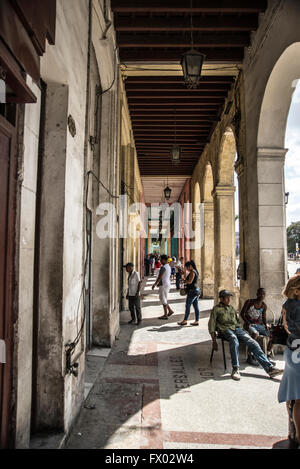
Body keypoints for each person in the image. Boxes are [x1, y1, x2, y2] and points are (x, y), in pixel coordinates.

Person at [208, 290, 283, 381]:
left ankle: (269, 368)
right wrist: (214, 341)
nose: (228, 300)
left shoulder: (231, 308)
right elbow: (211, 325)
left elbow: (237, 322)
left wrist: (242, 331)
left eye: (229, 298)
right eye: (226, 298)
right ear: (221, 299)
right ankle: (235, 369)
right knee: (233, 339)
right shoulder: (216, 309)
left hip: (237, 329)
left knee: (253, 343)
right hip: (225, 330)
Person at [278, 276, 300, 449]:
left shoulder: (287, 305)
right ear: (297, 290)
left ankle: (293, 432)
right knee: (298, 397)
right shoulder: (297, 307)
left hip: (292, 350)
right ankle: (297, 436)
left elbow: (288, 329)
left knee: (294, 394)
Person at [240, 288, 274, 365]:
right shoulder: (249, 302)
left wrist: (266, 325)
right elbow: (242, 314)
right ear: (257, 294)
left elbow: (264, 318)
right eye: (260, 294)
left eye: (263, 294)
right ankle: (250, 356)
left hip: (257, 325)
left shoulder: (263, 305)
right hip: (248, 325)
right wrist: (247, 322)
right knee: (255, 334)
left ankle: (268, 355)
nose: (261, 295)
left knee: (273, 334)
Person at [178, 261, 201, 327]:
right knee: (196, 306)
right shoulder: (195, 271)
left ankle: (185, 320)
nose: (187, 268)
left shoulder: (192, 272)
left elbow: (190, 282)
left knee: (188, 306)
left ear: (190, 266)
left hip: (192, 291)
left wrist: (184, 280)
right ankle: (196, 321)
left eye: (187, 267)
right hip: (196, 290)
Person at [152, 254, 174, 320]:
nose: (160, 261)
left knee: (163, 298)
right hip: (166, 283)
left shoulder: (163, 267)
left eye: (161, 260)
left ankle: (165, 314)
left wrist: (154, 284)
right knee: (164, 298)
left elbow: (159, 277)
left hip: (164, 284)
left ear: (164, 260)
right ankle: (170, 311)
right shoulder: (168, 266)